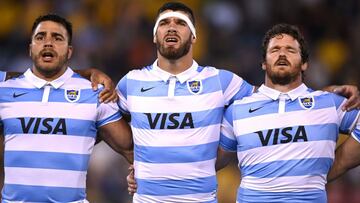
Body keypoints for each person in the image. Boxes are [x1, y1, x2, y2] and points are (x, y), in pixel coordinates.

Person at [120, 2, 360, 202]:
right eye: (275, 49)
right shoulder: (131, 82)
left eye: (181, 23)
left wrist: (332, 166)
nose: (282, 55)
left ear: (193, 35)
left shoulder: (223, 82)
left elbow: (281, 93)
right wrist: (143, 168)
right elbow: (98, 117)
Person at [218, 23, 360, 203]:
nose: (282, 54)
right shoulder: (237, 110)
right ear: (263, 63)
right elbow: (209, 162)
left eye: (290, 50)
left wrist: (338, 164)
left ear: (305, 63)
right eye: (275, 49)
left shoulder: (328, 103)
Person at [0, 14, 133, 202]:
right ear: (30, 49)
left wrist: (142, 176)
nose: (48, 43)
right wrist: (88, 71)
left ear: (69, 51)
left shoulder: (95, 94)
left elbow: (132, 151)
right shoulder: (4, 90)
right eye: (40, 37)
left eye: (57, 38)